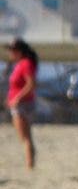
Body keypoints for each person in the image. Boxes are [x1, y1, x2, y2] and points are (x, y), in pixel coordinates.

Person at [6, 38, 38, 169]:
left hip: (22, 104)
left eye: (11, 51)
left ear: (18, 51)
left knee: (24, 137)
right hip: (23, 102)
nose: (9, 53)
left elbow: (31, 84)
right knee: (26, 136)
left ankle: (30, 165)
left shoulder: (25, 64)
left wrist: (17, 98)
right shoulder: (21, 64)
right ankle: (30, 164)